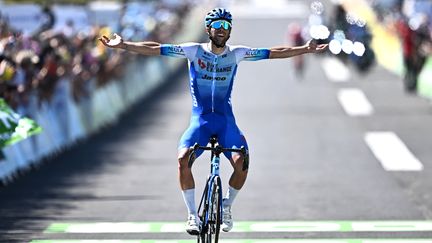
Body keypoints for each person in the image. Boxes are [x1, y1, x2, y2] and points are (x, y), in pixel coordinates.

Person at [99, 7, 327, 235]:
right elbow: (155, 49)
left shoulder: (237, 53)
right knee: (182, 159)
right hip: (201, 122)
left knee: (242, 163)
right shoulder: (193, 51)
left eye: (226, 26)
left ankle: (226, 206)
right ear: (208, 29)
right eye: (217, 25)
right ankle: (191, 216)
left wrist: (304, 49)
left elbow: (274, 51)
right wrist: (124, 45)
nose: (222, 30)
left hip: (225, 122)